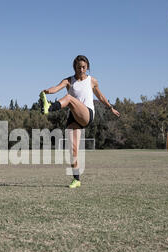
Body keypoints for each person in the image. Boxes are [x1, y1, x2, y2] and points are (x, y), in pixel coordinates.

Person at [40, 55, 120, 188]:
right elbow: (56, 88)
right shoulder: (68, 80)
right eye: (78, 67)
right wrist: (46, 91)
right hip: (74, 117)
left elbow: (100, 96)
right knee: (73, 150)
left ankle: (50, 107)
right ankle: (76, 179)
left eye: (84, 67)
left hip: (87, 114)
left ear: (87, 67)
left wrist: (110, 107)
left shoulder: (92, 81)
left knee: (69, 98)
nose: (81, 70)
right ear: (74, 68)